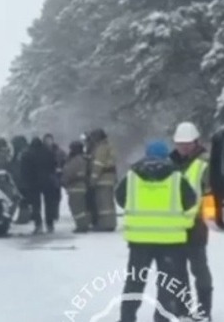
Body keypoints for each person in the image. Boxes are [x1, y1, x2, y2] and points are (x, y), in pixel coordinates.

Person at [115, 140, 198, 322]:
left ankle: (127, 318)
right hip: (170, 240)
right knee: (166, 285)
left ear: (146, 154)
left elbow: (120, 198)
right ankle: (162, 318)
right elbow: (191, 200)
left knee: (135, 282)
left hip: (139, 240)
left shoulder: (131, 176)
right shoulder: (177, 177)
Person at [170, 121, 213, 321]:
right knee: (178, 271)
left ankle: (204, 311)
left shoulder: (205, 163)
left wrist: (208, 217)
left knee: (199, 270)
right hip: (175, 226)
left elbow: (210, 192)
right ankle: (182, 310)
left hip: (196, 224)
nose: (183, 147)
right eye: (180, 143)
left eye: (187, 143)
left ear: (196, 142)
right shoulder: (171, 164)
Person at [22, 135, 59, 234]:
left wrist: (26, 182)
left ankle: (38, 225)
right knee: (49, 204)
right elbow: (54, 165)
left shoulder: (27, 153)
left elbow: (24, 170)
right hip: (47, 182)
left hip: (33, 183)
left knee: (35, 205)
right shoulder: (48, 152)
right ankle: (50, 225)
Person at [89, 128, 118, 231]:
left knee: (103, 203)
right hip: (110, 178)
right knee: (109, 203)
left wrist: (93, 180)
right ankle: (111, 223)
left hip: (102, 179)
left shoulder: (101, 148)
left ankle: (106, 225)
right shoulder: (109, 146)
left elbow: (98, 165)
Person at [60, 140, 91, 233]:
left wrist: (63, 180)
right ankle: (83, 224)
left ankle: (82, 226)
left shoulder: (76, 160)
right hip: (80, 186)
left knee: (76, 207)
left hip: (75, 186)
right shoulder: (84, 159)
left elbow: (68, 172)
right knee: (80, 206)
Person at [43, 133, 65, 227]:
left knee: (57, 198)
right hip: (46, 180)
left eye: (49, 139)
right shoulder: (42, 151)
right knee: (48, 201)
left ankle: (54, 215)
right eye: (46, 140)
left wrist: (61, 170)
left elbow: (65, 161)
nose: (48, 142)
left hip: (56, 178)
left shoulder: (59, 151)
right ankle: (50, 220)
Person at [10, 135, 32, 225]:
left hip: (23, 180)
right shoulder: (25, 152)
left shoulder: (22, 153)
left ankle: (23, 218)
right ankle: (24, 217)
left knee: (23, 200)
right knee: (24, 200)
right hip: (23, 180)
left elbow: (18, 167)